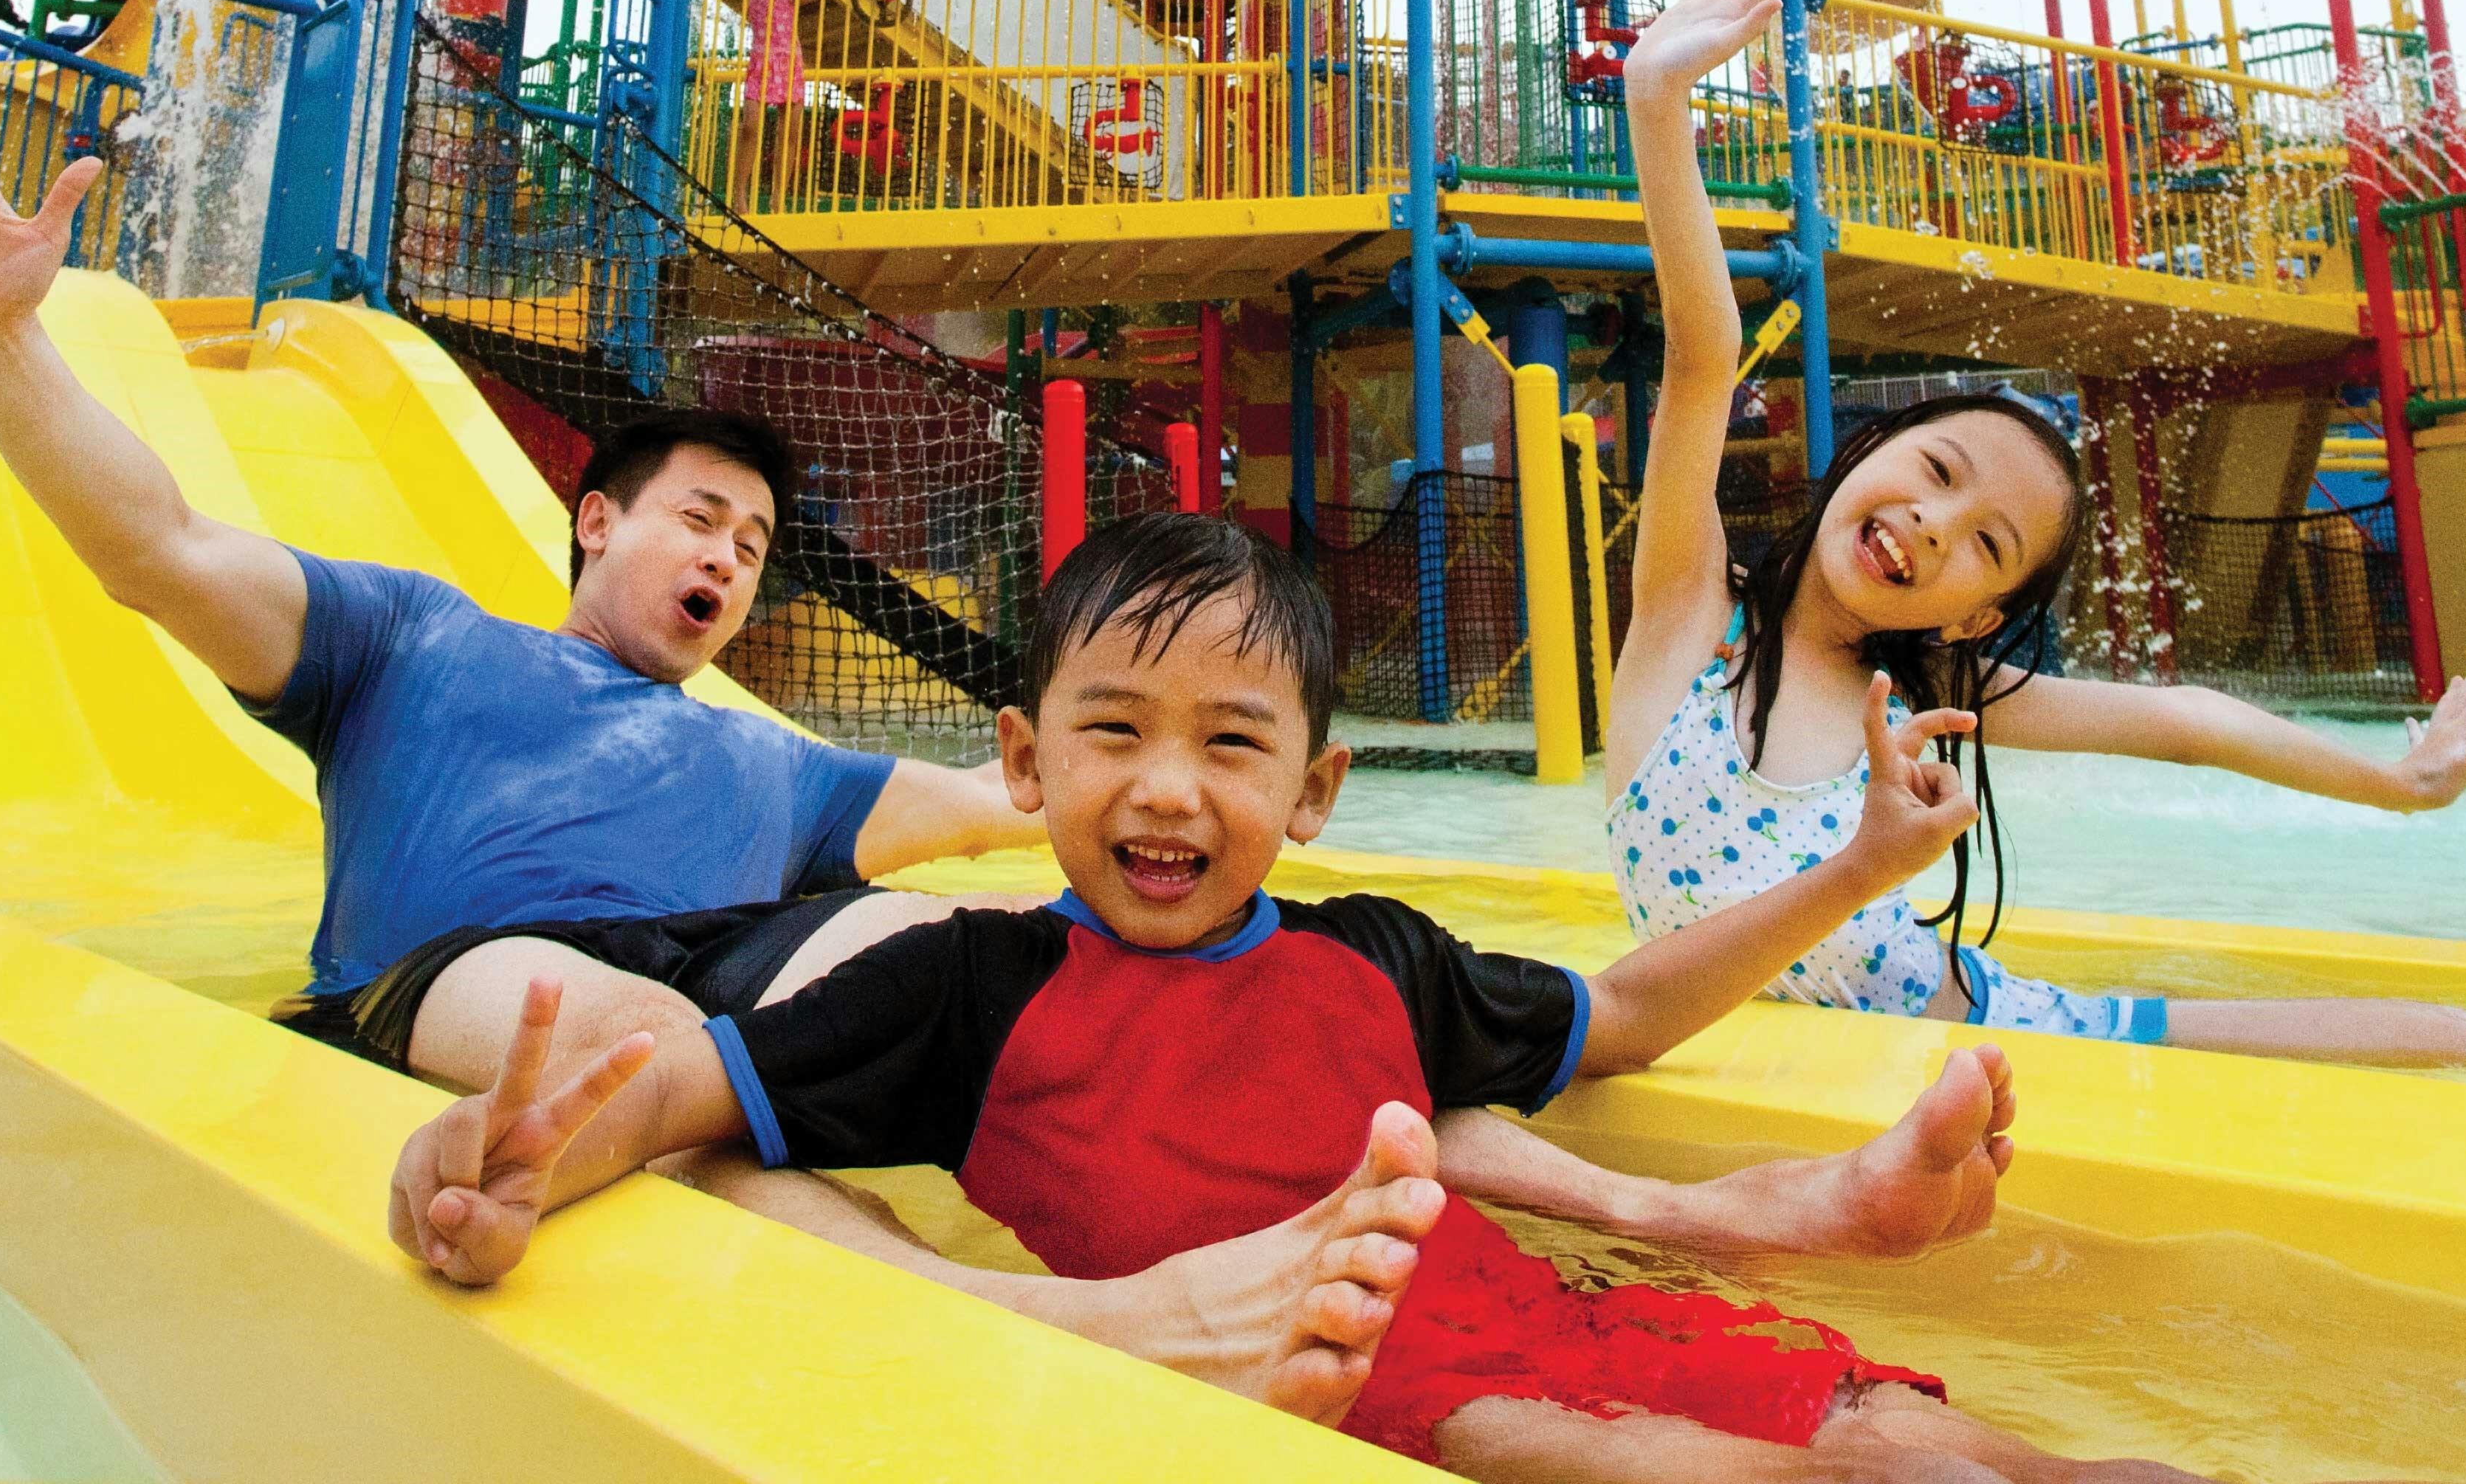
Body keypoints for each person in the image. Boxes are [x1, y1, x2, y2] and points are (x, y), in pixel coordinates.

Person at [0, 76, 2084, 1421]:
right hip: (479, 963)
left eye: (756, 545)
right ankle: (1069, 1327)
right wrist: (4, 353)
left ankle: (1635, 1222)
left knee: (1196, 985)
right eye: (697, 519)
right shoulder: (414, 648)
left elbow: (1064, 830)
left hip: (757, 947)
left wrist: (1194, 784)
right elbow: (167, 543)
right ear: (593, 518)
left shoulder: (785, 769)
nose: (724, 564)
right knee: (611, 1050)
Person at [399, 515, 2280, 1480]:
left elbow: (1620, 1017)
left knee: (1945, 1449)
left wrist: (1863, 865)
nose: (1166, 787)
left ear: (1307, 795)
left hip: (1584, 1318)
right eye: (1112, 732)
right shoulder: (963, 984)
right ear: (1025, 765)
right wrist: (516, 1159)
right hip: (1381, 1400)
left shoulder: (1375, 957)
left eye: (1232, 746)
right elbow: (698, 1102)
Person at [1608, 0, 2466, 1067]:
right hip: (1829, 1075)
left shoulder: (1941, 687)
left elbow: (2188, 725)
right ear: (1867, 459)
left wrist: (2397, 785)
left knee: (2461, 1046)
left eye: (1986, 544)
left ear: (1977, 615)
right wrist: (1659, 103)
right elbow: (1704, 354)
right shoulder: (1690, 617)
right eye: (1935, 474)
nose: (1934, 525)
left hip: (1999, 1036)